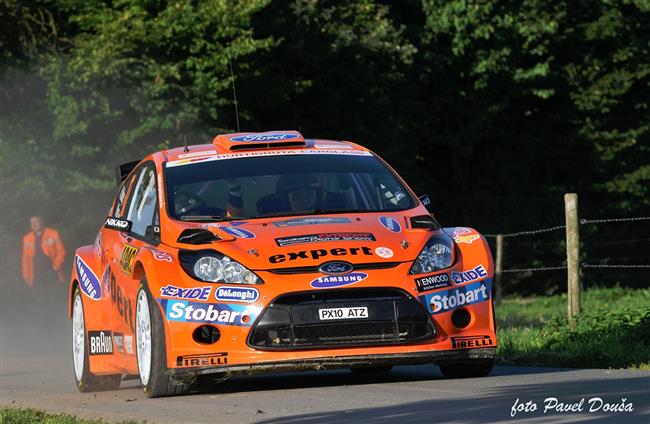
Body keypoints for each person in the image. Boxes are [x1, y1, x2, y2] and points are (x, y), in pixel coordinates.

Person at [22, 216, 66, 290]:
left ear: (42, 222)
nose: (34, 224)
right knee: (39, 298)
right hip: (35, 274)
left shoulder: (54, 234)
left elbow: (61, 252)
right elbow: (25, 259)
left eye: (36, 222)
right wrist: (26, 275)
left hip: (52, 272)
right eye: (32, 223)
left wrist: (57, 265)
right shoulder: (27, 238)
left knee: (54, 295)